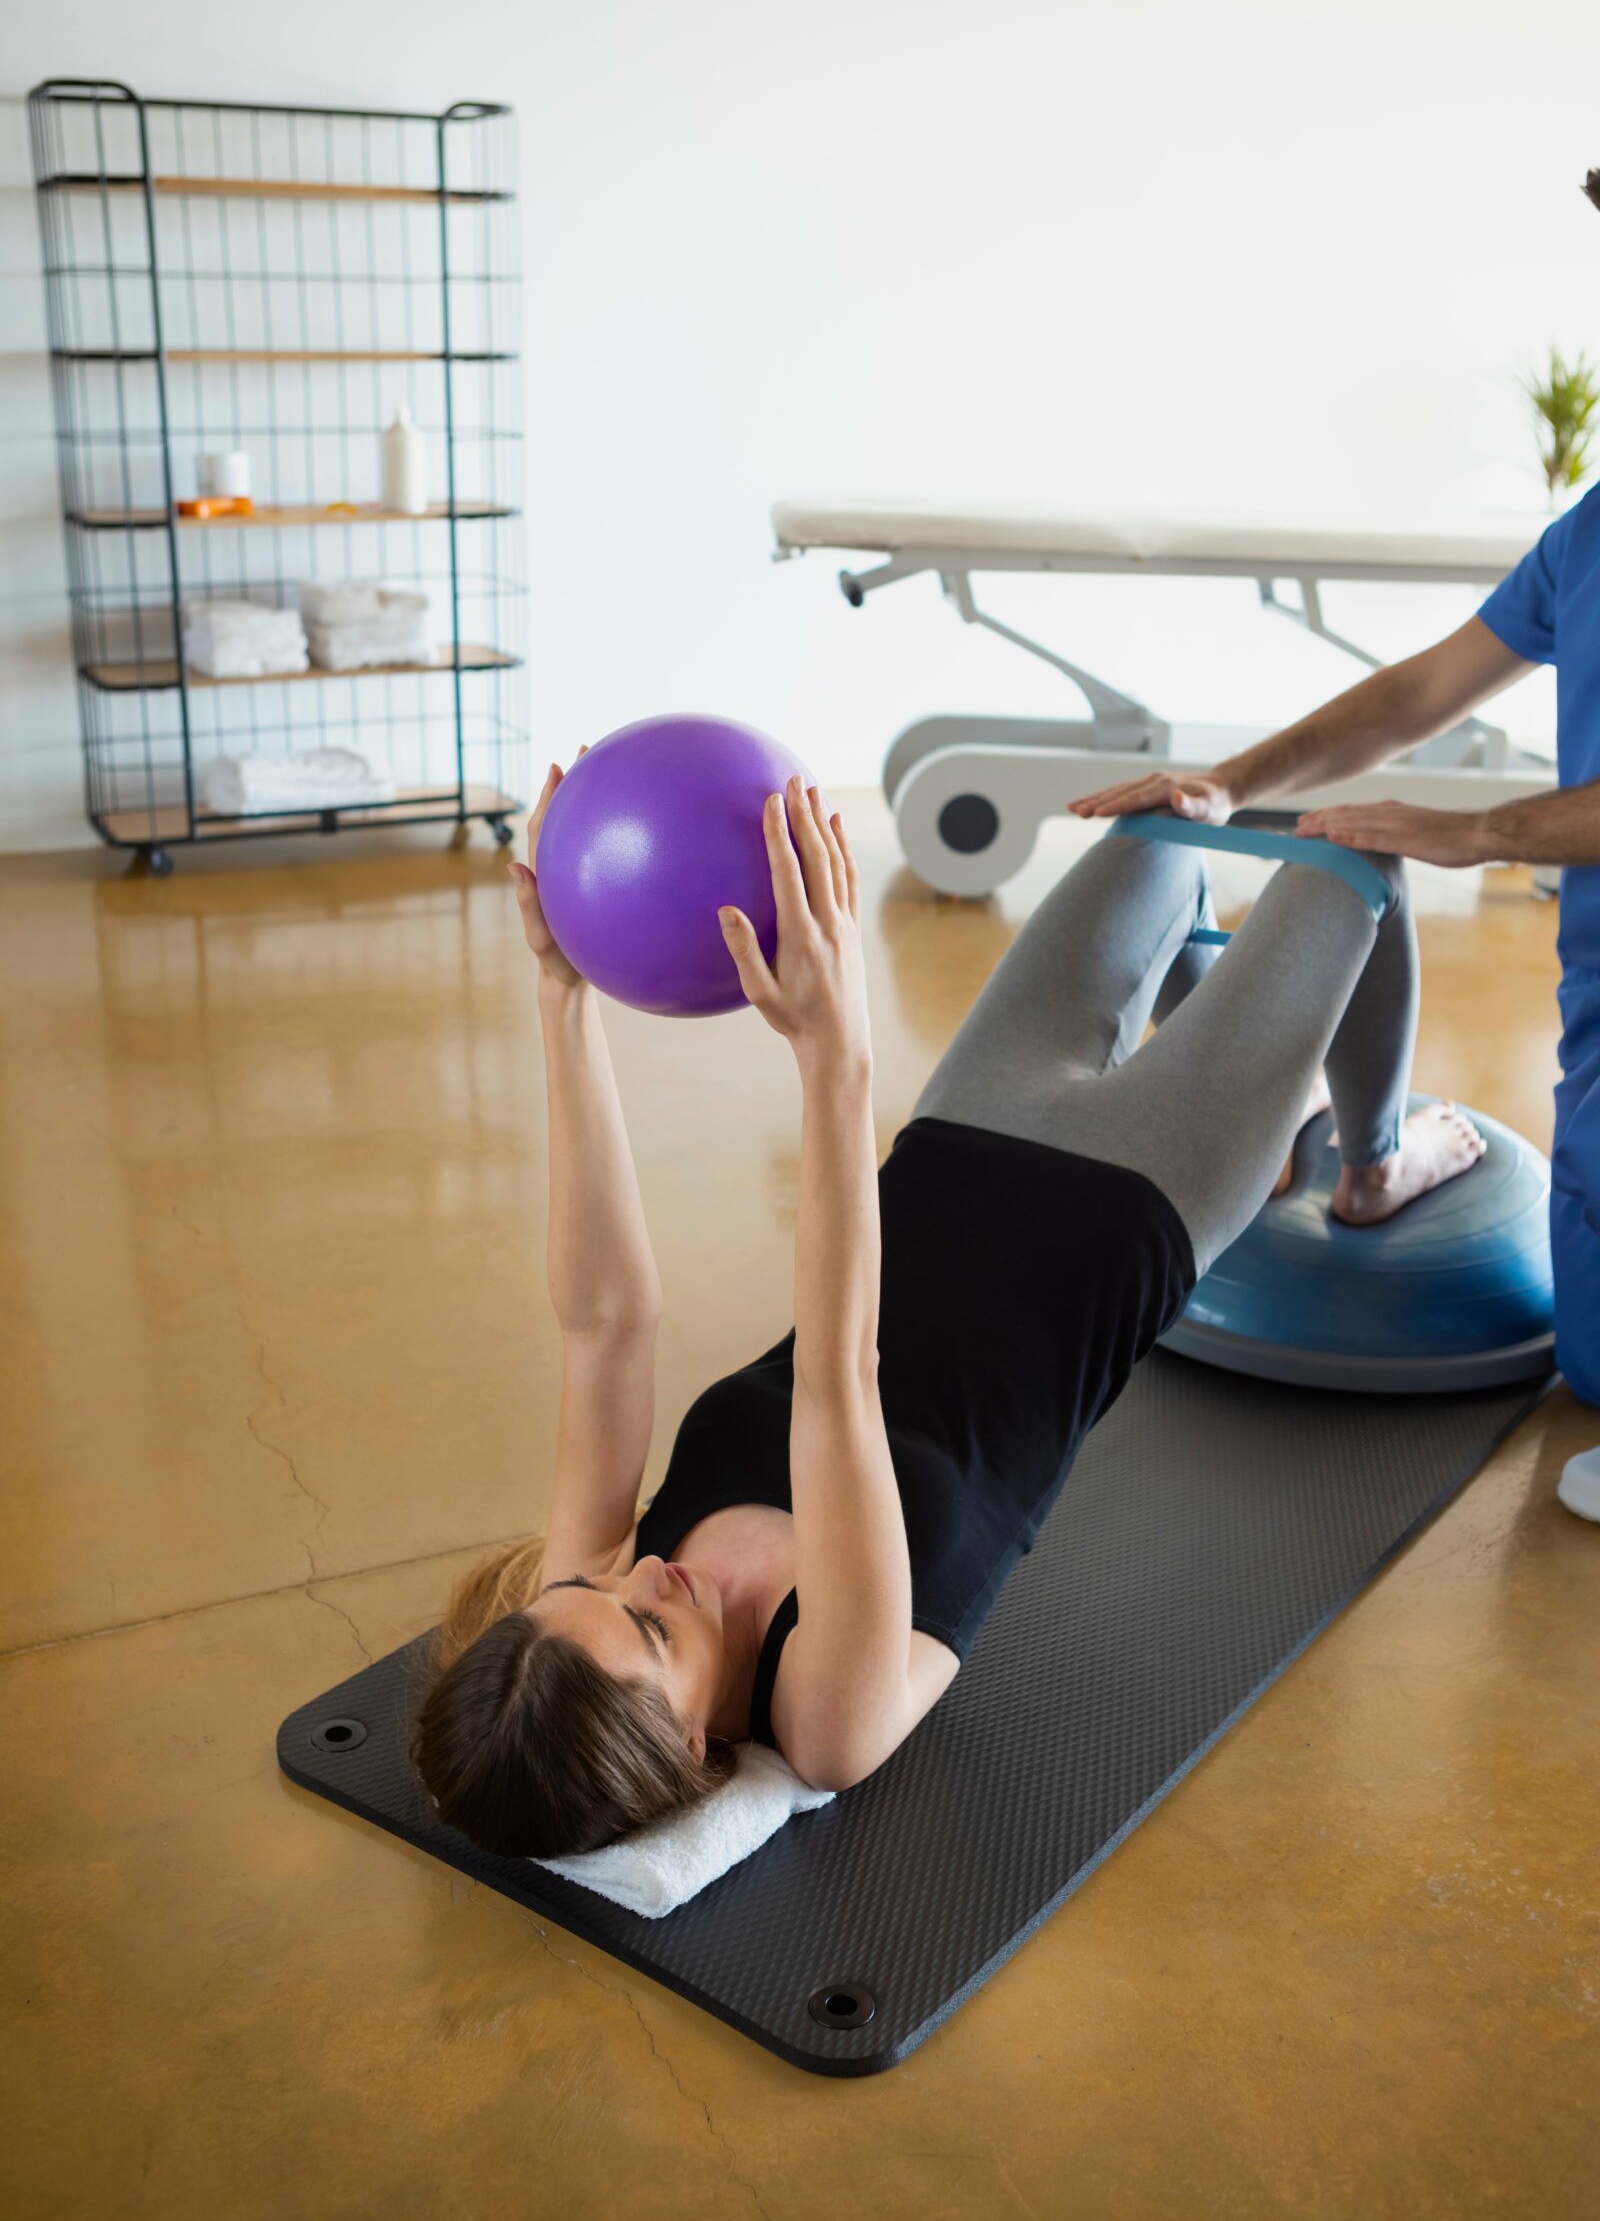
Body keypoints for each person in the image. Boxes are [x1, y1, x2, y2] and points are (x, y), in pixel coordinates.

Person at [412, 761, 1484, 1858]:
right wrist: (834, 1056)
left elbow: (603, 1320)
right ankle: (1371, 1166)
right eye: (651, 1623)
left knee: (1163, 826)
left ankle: (1244, 1052)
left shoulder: (587, 1603)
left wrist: (561, 991)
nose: (637, 1571)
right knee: (1353, 851)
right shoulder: (828, 1715)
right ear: (688, 1743)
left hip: (967, 1130)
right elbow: (839, 1379)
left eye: (597, 1587)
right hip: (1138, 1212)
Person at [1067, 477, 1600, 1521]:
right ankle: (1326, 1128)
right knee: (1590, 1364)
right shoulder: (1586, 534)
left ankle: (1343, 1136)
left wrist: (1480, 831)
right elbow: (1418, 691)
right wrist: (1227, 782)